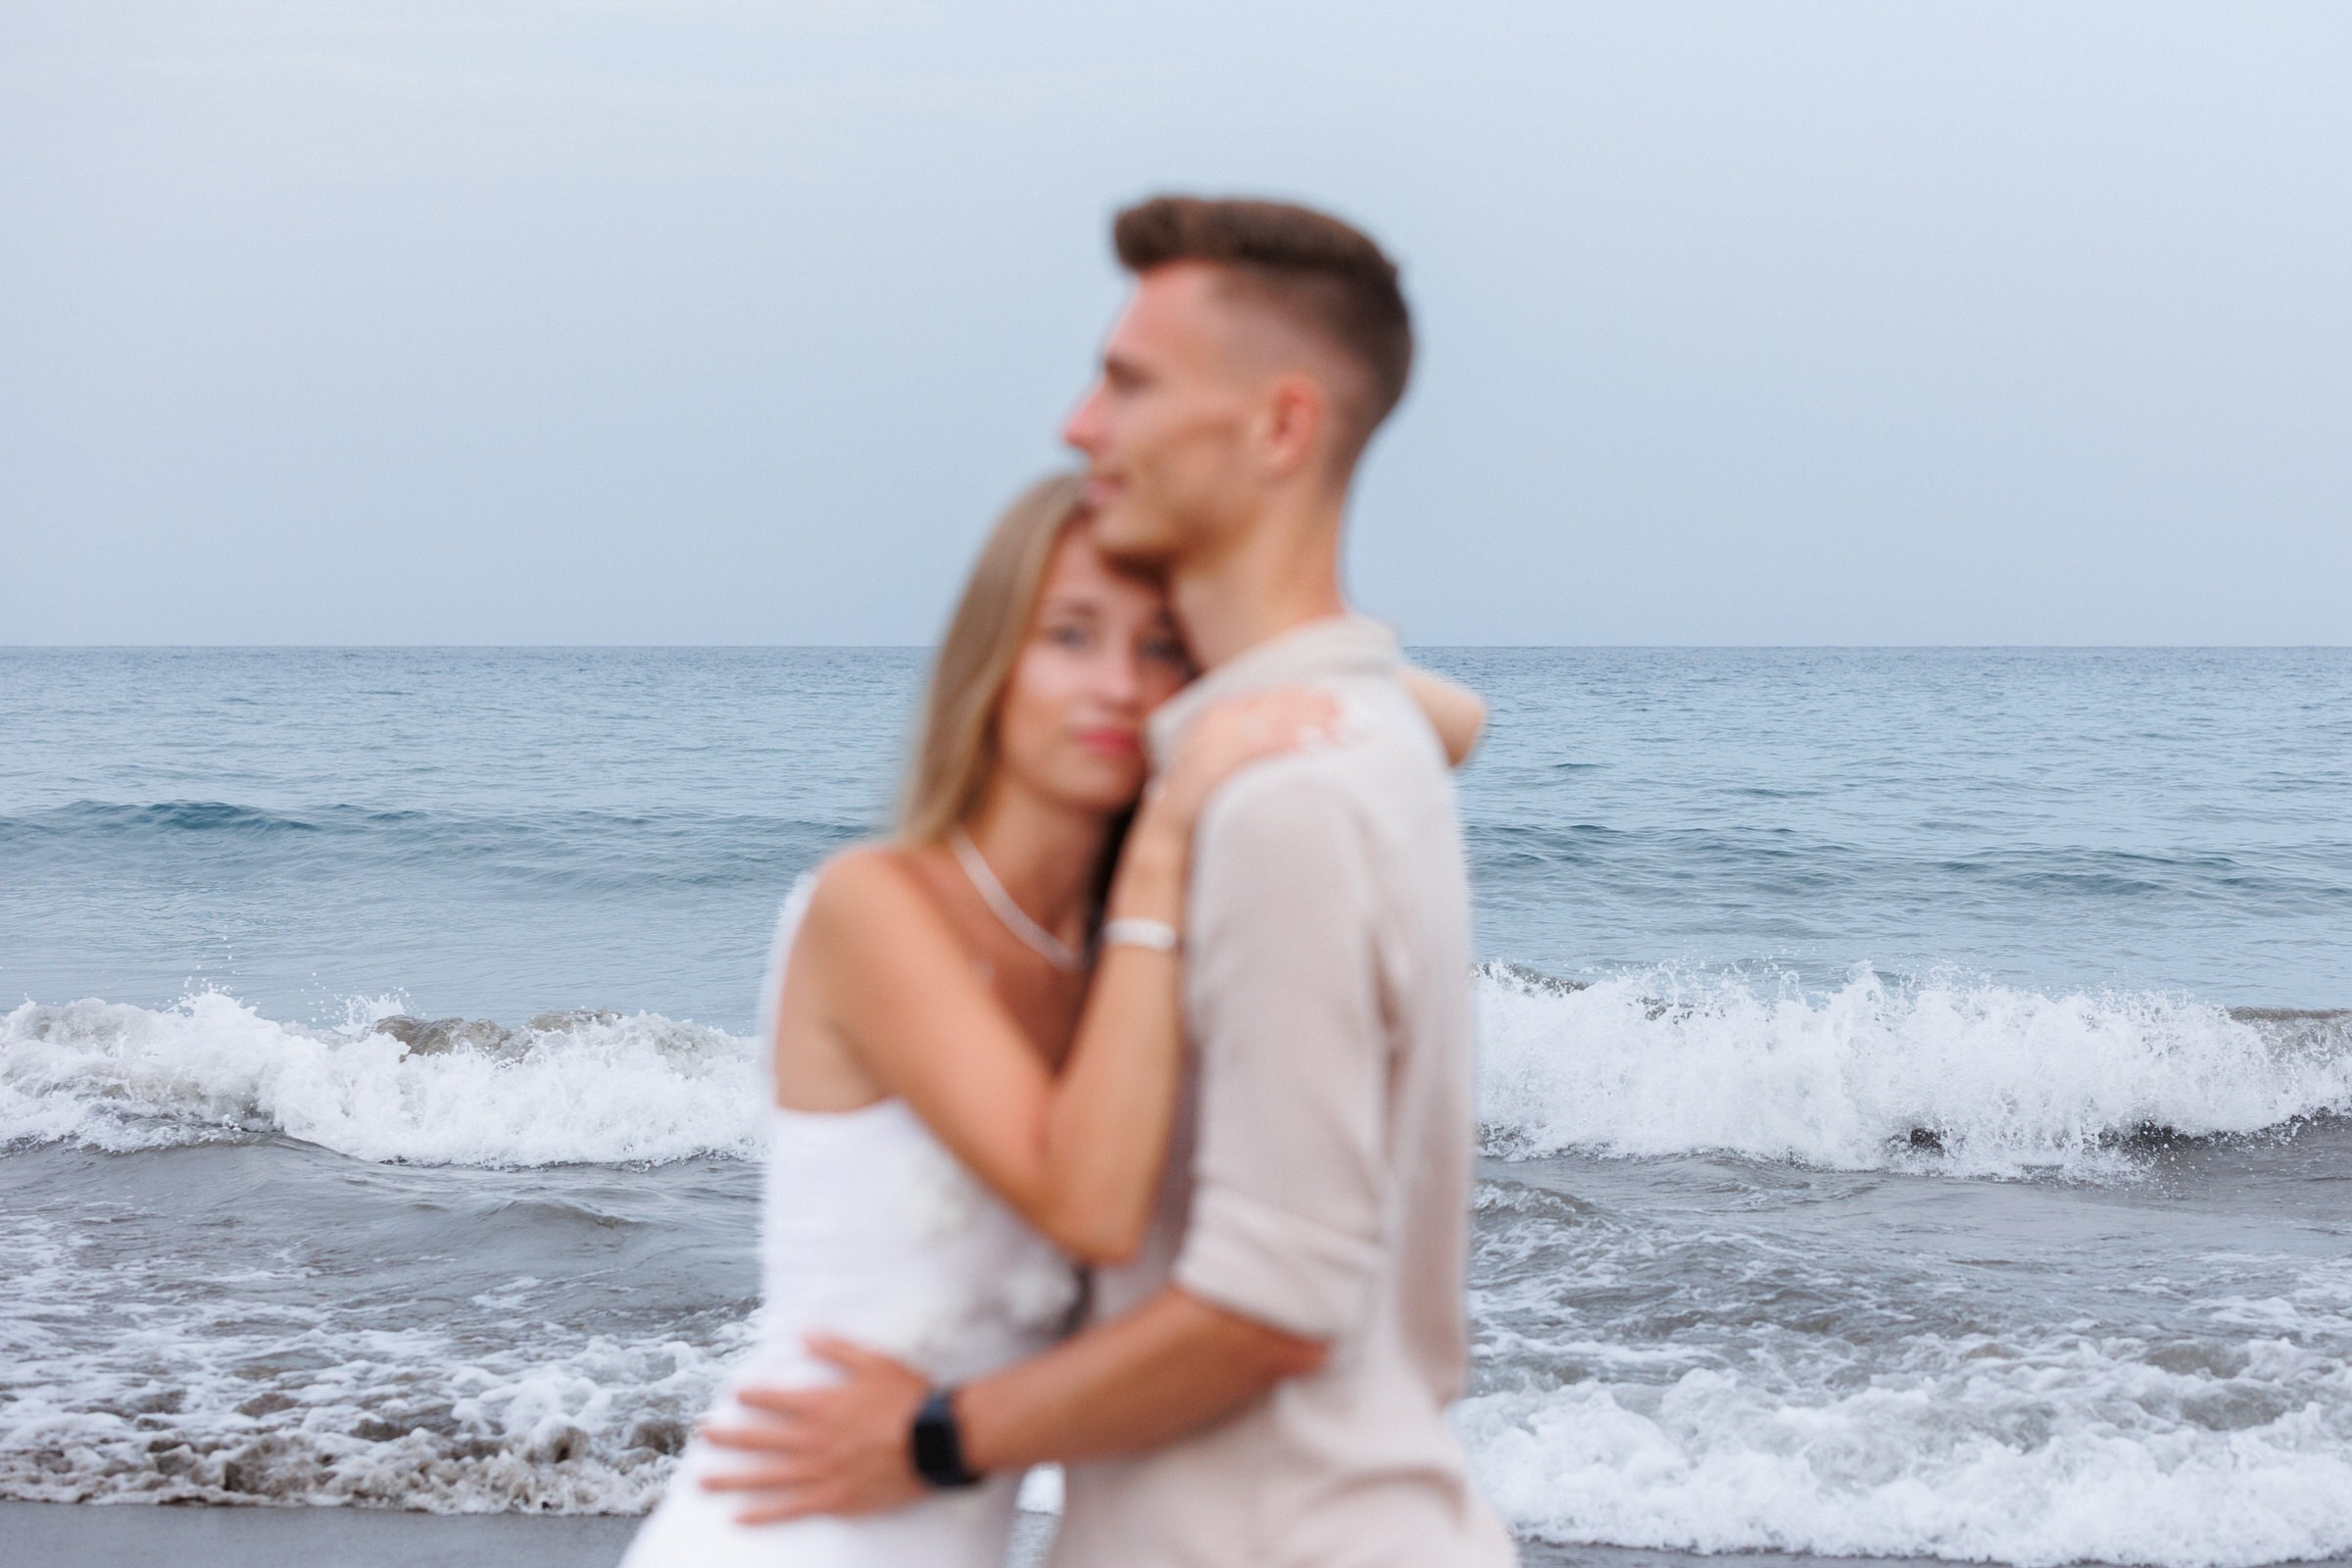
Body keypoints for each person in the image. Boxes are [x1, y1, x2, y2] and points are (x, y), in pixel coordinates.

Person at [704, 197, 1519, 1566]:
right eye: (1067, 635)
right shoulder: (1314, 758)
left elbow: (1267, 1302)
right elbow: (1431, 717)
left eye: (1130, 382)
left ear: (1277, 429)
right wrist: (1218, 705)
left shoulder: (1280, 798)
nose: (1082, 422)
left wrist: (937, 1437)